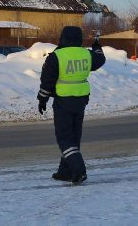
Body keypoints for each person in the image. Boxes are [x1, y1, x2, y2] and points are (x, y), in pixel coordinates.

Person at [37, 26, 106, 184]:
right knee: (74, 136)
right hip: (81, 101)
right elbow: (100, 59)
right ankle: (65, 172)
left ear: (63, 38)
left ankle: (78, 170)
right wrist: (96, 46)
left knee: (65, 138)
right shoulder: (86, 54)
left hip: (63, 101)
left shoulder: (56, 56)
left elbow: (47, 81)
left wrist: (42, 99)